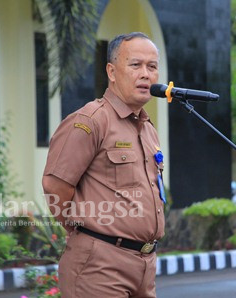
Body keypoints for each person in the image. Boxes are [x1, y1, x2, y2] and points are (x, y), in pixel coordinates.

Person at [42, 32, 164, 297]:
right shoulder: (90, 121)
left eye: (152, 67)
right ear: (111, 71)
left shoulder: (146, 128)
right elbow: (54, 185)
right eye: (135, 65)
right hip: (100, 265)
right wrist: (82, 232)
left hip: (144, 265)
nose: (146, 74)